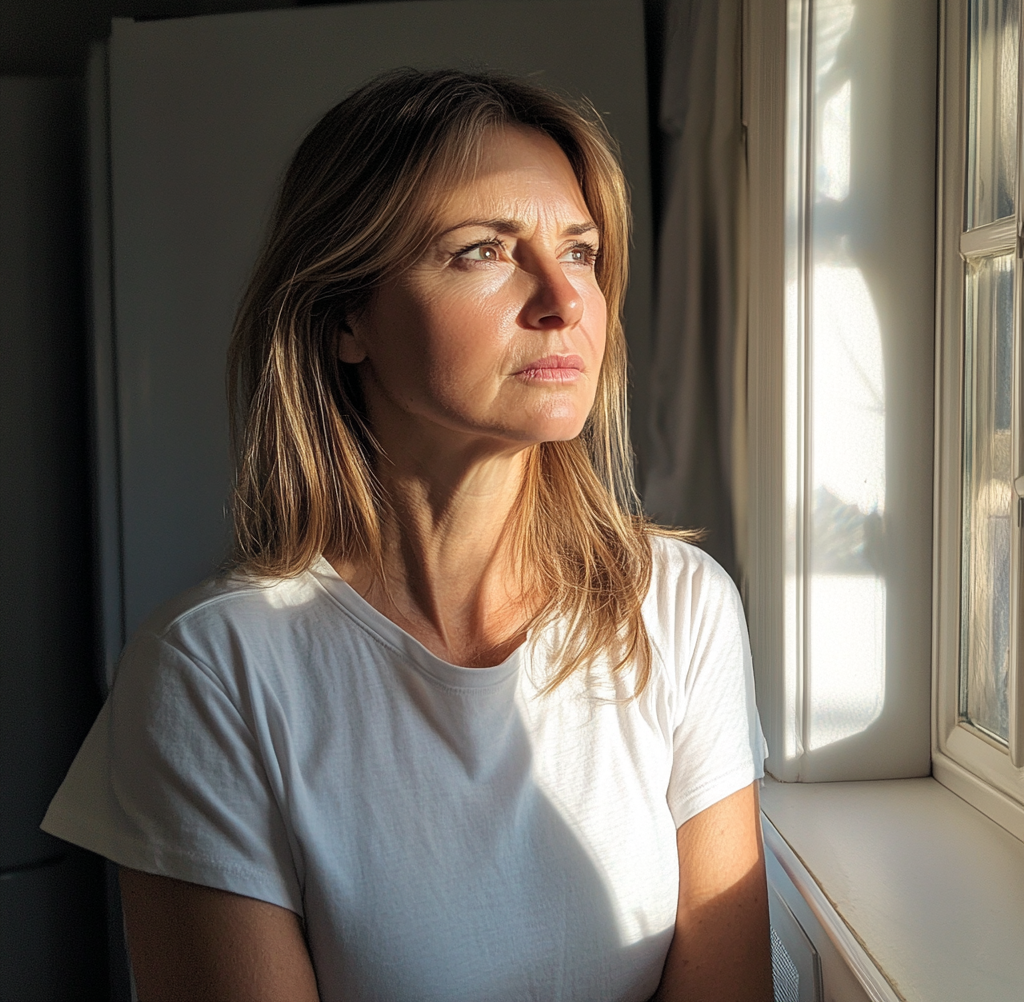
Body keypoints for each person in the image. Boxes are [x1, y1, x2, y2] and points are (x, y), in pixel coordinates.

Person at [43, 69, 772, 1002]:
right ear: (346, 314)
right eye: (482, 251)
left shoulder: (677, 609)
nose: (564, 300)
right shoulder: (214, 672)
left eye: (582, 252)